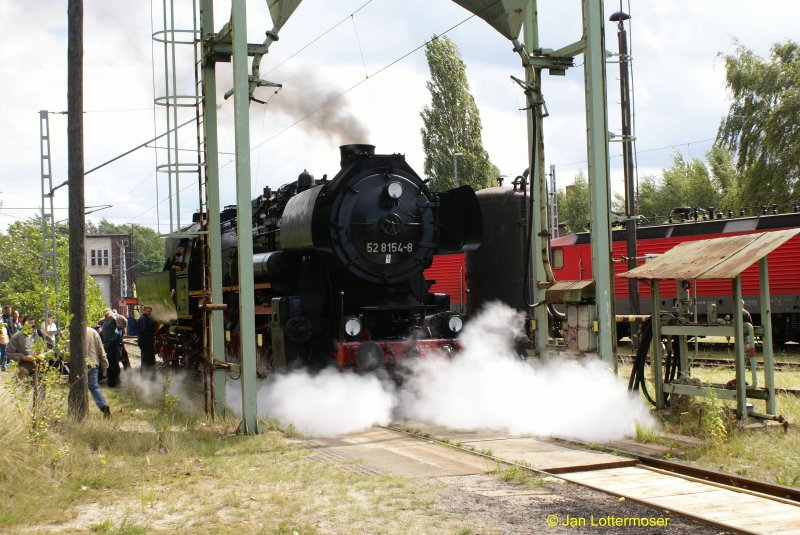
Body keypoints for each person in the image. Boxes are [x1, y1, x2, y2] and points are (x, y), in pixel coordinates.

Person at [86, 325, 111, 418]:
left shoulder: (73, 332)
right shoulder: (93, 332)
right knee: (94, 387)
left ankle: (74, 410)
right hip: (93, 363)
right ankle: (103, 406)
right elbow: (101, 349)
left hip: (78, 365)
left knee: (76, 387)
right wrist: (105, 364)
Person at [100, 308, 121, 387]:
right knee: (115, 365)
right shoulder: (111, 321)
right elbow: (119, 320)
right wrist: (113, 314)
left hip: (107, 346)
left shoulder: (104, 323)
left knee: (110, 365)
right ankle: (115, 383)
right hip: (112, 346)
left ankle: (111, 382)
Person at [137, 305, 156, 379]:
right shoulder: (143, 319)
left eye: (150, 311)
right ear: (144, 311)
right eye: (147, 311)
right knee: (146, 360)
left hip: (148, 343)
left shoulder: (146, 318)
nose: (149, 313)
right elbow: (144, 332)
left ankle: (149, 376)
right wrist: (149, 341)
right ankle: (145, 377)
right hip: (146, 343)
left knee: (149, 360)